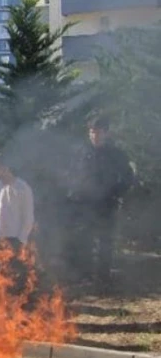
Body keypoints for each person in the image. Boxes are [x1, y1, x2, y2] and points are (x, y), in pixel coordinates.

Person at [70, 115, 134, 283]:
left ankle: (103, 278)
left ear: (106, 133)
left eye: (98, 132)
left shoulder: (117, 154)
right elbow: (73, 175)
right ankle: (85, 276)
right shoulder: (81, 152)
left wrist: (116, 194)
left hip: (107, 204)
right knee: (85, 240)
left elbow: (128, 177)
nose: (94, 136)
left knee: (105, 242)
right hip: (84, 204)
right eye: (92, 132)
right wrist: (75, 193)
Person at [0, 158, 35, 253]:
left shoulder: (23, 187)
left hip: (14, 238)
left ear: (5, 168)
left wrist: (21, 239)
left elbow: (28, 216)